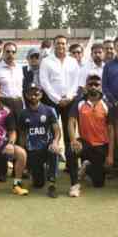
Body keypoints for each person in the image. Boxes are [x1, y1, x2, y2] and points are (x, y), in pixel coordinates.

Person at [67, 75, 116, 196]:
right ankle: (74, 185)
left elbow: (111, 130)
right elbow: (71, 121)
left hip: (101, 146)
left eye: (96, 84)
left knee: (98, 183)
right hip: (85, 143)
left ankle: (87, 167)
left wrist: (110, 155)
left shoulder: (107, 105)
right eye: (90, 84)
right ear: (86, 87)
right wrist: (73, 140)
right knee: (71, 150)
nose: (93, 87)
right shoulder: (79, 103)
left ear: (101, 87)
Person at [39, 35, 80, 167]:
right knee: (52, 133)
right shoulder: (46, 61)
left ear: (67, 45)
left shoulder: (72, 61)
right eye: (58, 43)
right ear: (54, 44)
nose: (60, 46)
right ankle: (51, 164)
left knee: (70, 134)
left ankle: (71, 164)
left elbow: (76, 81)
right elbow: (44, 82)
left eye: (63, 43)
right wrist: (57, 99)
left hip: (70, 101)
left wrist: (69, 97)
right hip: (52, 102)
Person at [18, 83, 62, 198]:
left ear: (41, 95)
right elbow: (22, 135)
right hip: (32, 150)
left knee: (54, 151)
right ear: (26, 95)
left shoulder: (49, 110)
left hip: (47, 148)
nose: (33, 96)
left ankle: (52, 185)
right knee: (38, 184)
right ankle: (36, 173)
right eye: (30, 94)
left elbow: (57, 131)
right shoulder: (23, 113)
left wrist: (55, 142)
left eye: (36, 94)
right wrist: (23, 153)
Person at [0, 42, 24, 128]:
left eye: (13, 52)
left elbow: (20, 88)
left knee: (20, 131)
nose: (10, 54)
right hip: (3, 103)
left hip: (18, 103)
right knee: (4, 131)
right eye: (8, 51)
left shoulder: (19, 68)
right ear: (3, 52)